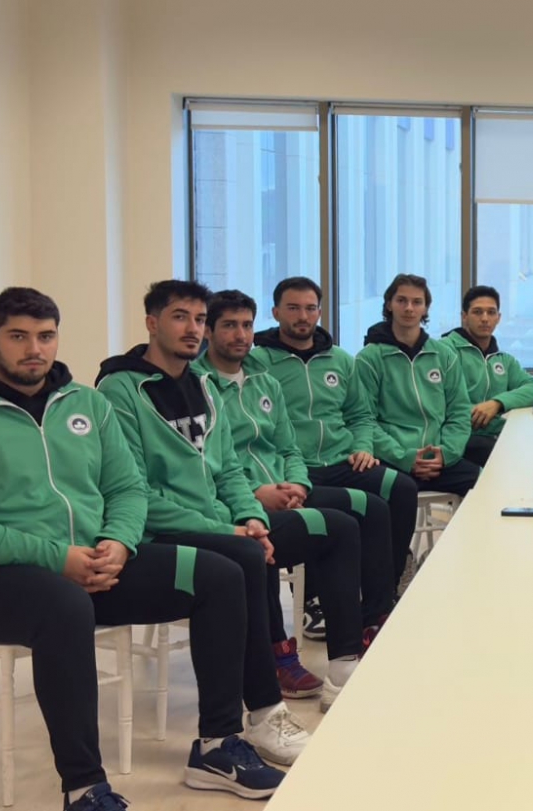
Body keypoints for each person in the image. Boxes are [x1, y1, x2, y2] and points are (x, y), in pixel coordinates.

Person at [0, 287, 283, 808]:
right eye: (18, 337)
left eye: (46, 336)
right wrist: (56, 558)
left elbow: (127, 489)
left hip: (95, 564)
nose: (34, 349)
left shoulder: (86, 404)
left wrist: (119, 542)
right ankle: (84, 788)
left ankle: (218, 746)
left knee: (220, 575)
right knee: (64, 604)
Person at [95, 281, 357, 758]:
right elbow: (135, 493)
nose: (193, 329)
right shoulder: (120, 390)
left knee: (335, 527)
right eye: (180, 317)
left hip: (221, 522)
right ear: (152, 323)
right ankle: (263, 711)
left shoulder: (201, 386)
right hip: (159, 531)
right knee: (244, 556)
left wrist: (250, 516)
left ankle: (340, 669)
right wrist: (230, 530)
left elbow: (230, 470)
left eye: (198, 319)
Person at [198, 290, 396, 700]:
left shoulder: (264, 382)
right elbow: (209, 462)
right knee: (266, 546)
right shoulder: (196, 387)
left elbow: (289, 448)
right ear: (209, 331)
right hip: (231, 506)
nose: (240, 335)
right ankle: (278, 653)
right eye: (229, 325)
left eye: (246, 325)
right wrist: (257, 493)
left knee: (352, 520)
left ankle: (347, 656)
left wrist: (299, 485)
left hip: (285, 493)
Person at [250, 276, 420, 600]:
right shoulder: (258, 363)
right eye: (293, 308)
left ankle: (388, 586)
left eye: (310, 308)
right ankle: (314, 599)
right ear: (275, 312)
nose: (303, 316)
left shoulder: (340, 359)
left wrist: (363, 447)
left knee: (400, 488)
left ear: (319, 311)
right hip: (296, 468)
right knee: (335, 516)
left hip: (343, 460)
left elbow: (361, 415)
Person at [357, 274, 481, 499]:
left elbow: (459, 412)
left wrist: (446, 453)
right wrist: (405, 457)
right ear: (389, 305)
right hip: (392, 460)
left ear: (425, 309)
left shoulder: (443, 355)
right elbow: (364, 419)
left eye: (417, 302)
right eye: (401, 300)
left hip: (439, 459)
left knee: (487, 484)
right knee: (398, 493)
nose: (409, 308)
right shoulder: (369, 358)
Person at [440, 285, 533, 467]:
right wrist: (475, 413)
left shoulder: (503, 360)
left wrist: (497, 403)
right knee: (514, 455)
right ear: (464, 316)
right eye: (477, 312)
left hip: (493, 435)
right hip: (456, 437)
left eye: (491, 312)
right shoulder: (445, 350)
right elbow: (436, 402)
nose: (485, 319)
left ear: (499, 318)